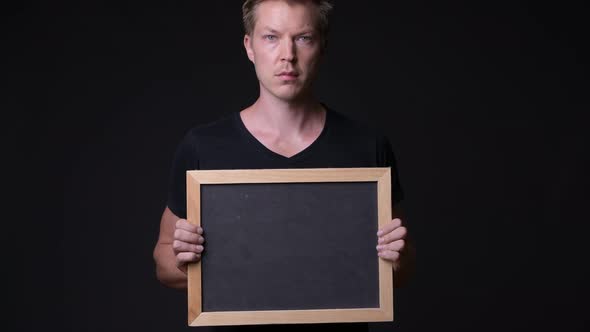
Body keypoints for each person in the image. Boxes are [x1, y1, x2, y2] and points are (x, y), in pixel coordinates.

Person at [153, 0, 415, 330]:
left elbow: (401, 267)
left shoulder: (366, 146)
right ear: (250, 46)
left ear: (322, 46)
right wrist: (184, 259)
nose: (287, 55)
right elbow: (163, 262)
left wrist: (397, 257)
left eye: (303, 37)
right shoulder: (203, 147)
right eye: (271, 37)